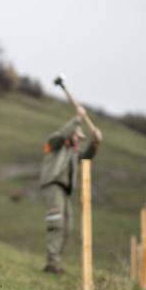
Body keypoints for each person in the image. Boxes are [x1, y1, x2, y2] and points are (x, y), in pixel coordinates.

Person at [39, 106, 102, 274]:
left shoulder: (73, 153)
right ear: (71, 133)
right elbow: (62, 135)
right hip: (53, 186)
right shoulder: (55, 145)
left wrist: (95, 142)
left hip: (64, 192)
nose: (79, 141)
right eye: (77, 136)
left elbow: (86, 156)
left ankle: (55, 262)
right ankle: (52, 263)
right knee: (56, 223)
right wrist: (77, 118)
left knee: (68, 226)